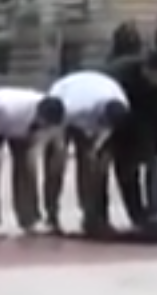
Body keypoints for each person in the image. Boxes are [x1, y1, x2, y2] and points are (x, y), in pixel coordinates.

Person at [47, 70, 130, 235]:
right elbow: (58, 127)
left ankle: (92, 216)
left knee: (94, 166)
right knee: (57, 161)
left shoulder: (121, 106)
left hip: (90, 103)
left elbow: (105, 135)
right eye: (101, 121)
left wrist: (94, 148)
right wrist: (61, 145)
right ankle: (51, 215)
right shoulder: (75, 105)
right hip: (63, 101)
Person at [0, 87, 66, 235]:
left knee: (28, 168)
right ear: (39, 113)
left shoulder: (53, 118)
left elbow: (37, 145)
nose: (46, 126)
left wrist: (33, 152)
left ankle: (30, 218)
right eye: (44, 122)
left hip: (24, 130)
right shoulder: (3, 108)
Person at [103, 48, 157, 226]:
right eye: (156, 77)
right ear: (146, 70)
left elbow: (156, 115)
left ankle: (139, 215)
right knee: (110, 167)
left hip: (140, 117)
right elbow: (110, 109)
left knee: (134, 167)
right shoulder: (121, 74)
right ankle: (98, 216)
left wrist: (154, 148)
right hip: (110, 113)